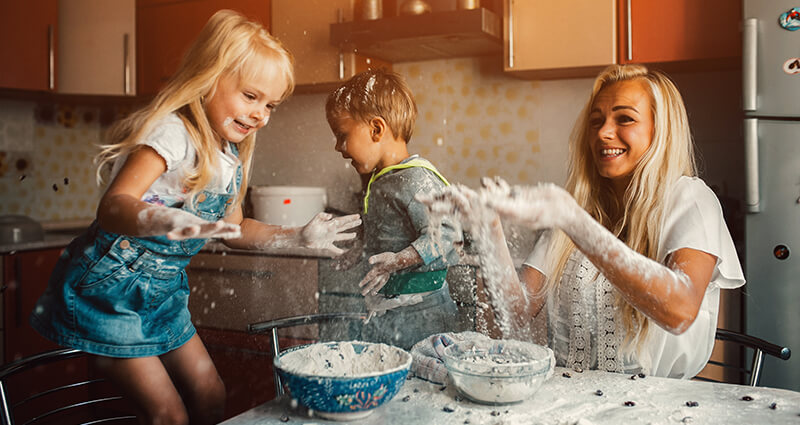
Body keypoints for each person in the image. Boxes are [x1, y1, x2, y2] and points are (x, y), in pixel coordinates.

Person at [30, 10, 360, 425]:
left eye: (271, 105)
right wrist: (164, 220)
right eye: (251, 96)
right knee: (168, 414)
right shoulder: (173, 133)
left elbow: (238, 229)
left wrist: (296, 236)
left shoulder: (230, 154)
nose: (261, 115)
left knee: (210, 393)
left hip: (163, 294)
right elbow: (114, 206)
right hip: (111, 293)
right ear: (209, 77)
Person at [423, 64, 744, 379]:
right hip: (571, 396)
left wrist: (573, 220)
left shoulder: (689, 199)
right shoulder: (575, 210)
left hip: (657, 405)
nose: (603, 132)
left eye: (625, 119)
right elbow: (516, 315)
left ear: (661, 131)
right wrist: (487, 229)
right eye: (596, 120)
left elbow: (679, 311)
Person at [325, 69, 462, 350]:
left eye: (342, 135)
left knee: (419, 385)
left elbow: (447, 234)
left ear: (376, 129)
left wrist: (399, 260)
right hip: (393, 310)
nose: (338, 147)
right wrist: (361, 246)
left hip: (424, 314)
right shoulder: (383, 179)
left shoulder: (416, 180)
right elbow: (389, 228)